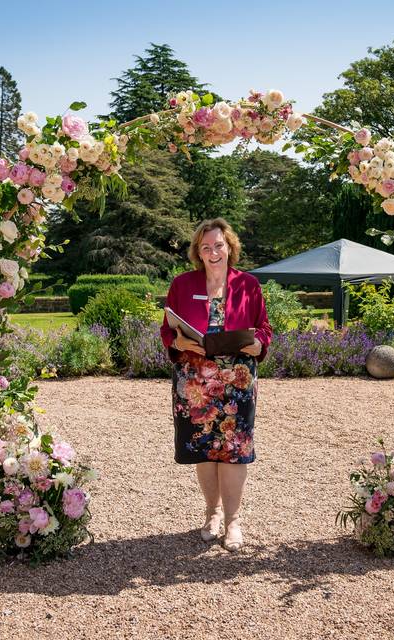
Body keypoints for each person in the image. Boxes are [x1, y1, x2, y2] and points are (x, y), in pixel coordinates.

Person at [160, 218, 272, 552]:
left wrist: (259, 344)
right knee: (204, 450)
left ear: (230, 247)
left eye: (219, 245)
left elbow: (263, 327)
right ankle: (212, 512)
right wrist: (179, 343)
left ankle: (234, 520)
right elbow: (168, 330)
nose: (213, 252)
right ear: (198, 251)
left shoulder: (248, 285)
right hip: (194, 383)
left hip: (236, 382)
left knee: (234, 451)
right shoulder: (182, 284)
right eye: (206, 247)